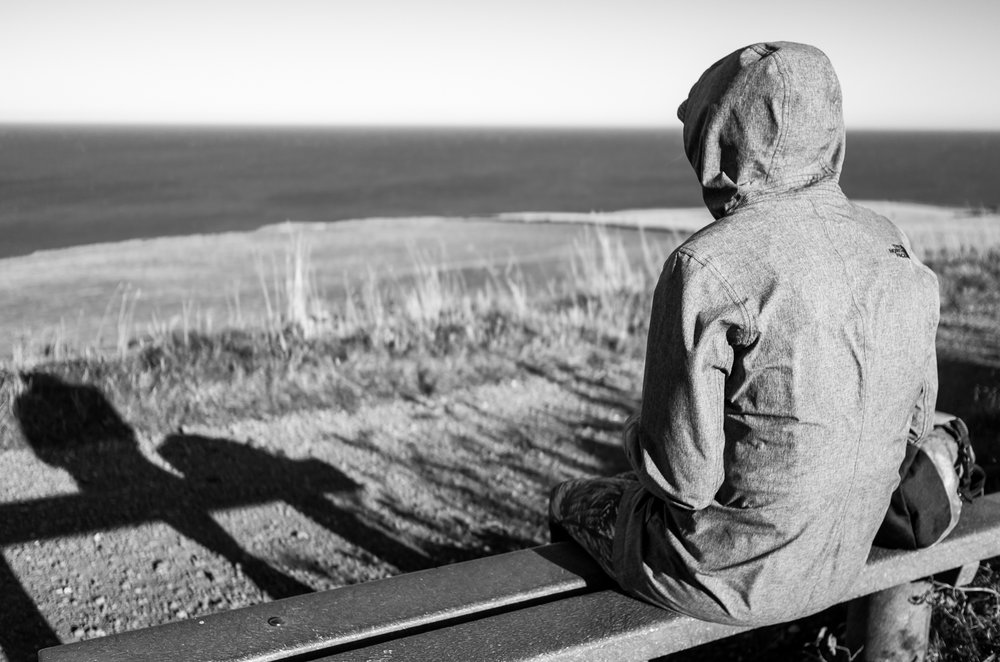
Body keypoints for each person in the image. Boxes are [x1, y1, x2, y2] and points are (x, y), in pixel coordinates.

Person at [548, 41, 941, 626]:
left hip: (726, 577)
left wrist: (639, 432)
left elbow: (683, 479)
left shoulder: (705, 267)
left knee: (569, 500)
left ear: (716, 137)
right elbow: (915, 424)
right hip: (844, 555)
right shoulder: (893, 244)